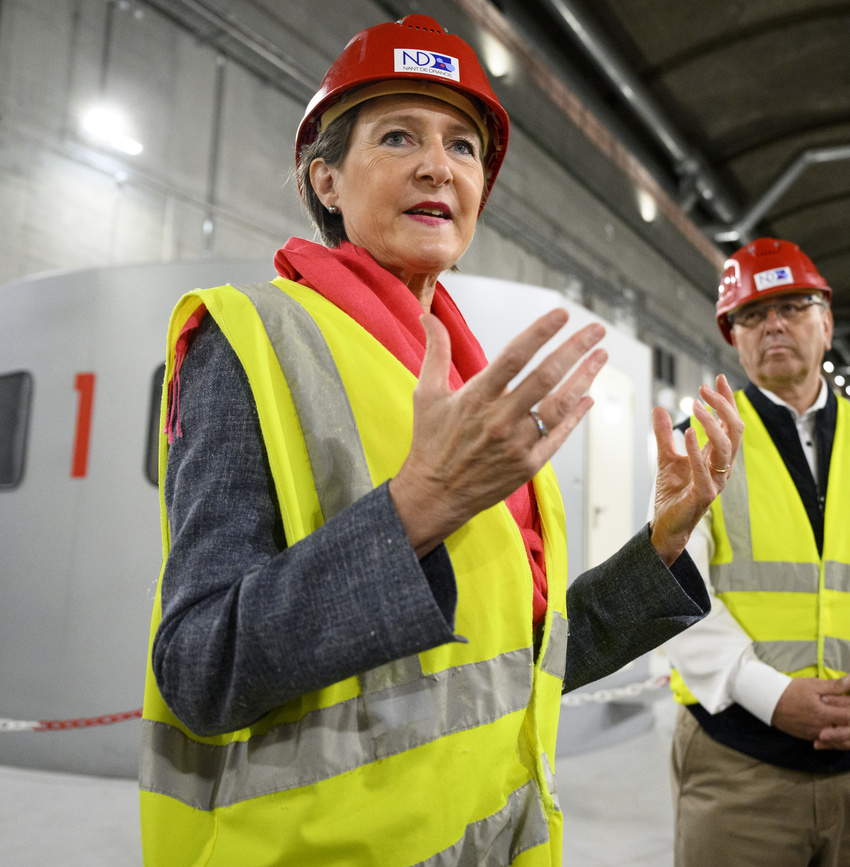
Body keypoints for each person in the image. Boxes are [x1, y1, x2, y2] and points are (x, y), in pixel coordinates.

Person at [137, 15, 744, 867]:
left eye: (463, 146)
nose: (438, 164)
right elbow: (199, 668)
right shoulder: (254, 342)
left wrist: (665, 541)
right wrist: (415, 510)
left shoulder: (463, 379)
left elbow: (519, 662)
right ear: (327, 181)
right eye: (397, 136)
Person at [664, 239, 850, 866]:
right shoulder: (699, 443)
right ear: (734, 339)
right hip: (740, 771)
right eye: (752, 314)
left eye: (793, 306)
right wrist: (774, 696)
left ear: (826, 324)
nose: (773, 323)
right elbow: (673, 592)